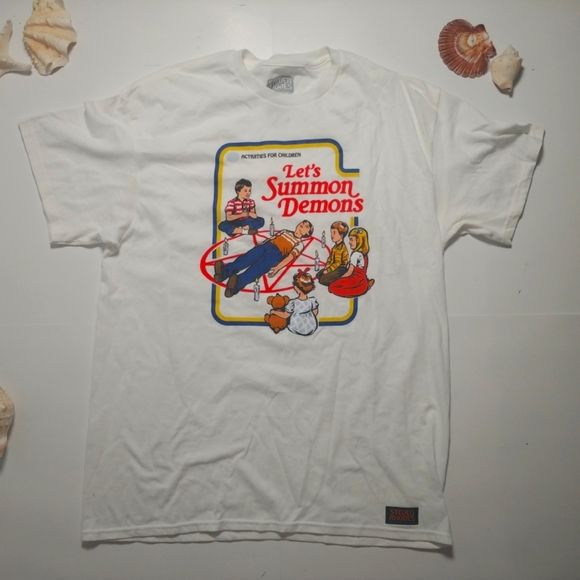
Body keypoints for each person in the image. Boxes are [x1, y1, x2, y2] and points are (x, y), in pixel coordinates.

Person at [214, 220, 314, 297]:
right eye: (302, 223)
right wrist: (261, 245)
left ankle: (235, 284)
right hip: (266, 246)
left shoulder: (299, 244)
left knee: (257, 269)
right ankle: (223, 272)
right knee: (246, 258)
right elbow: (272, 238)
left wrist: (278, 267)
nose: (302, 225)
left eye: (306, 226)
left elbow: (290, 257)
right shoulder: (285, 231)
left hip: (276, 255)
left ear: (307, 234)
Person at [267, 270, 319, 336]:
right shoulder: (312, 300)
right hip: (311, 327)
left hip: (295, 327)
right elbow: (315, 312)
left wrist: (273, 312)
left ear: (297, 288)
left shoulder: (293, 302)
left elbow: (286, 315)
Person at [328, 227, 374, 297]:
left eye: (351, 240)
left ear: (359, 241)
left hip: (355, 281)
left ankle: (359, 289)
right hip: (362, 280)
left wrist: (340, 278)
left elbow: (349, 272)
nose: (349, 242)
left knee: (331, 287)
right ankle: (366, 285)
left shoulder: (356, 254)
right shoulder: (364, 254)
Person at [317, 221, 349, 286]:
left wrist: (328, 270)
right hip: (334, 267)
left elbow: (337, 263)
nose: (332, 235)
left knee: (322, 279)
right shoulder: (335, 247)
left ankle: (339, 282)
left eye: (334, 233)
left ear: (341, 235)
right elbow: (330, 258)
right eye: (331, 233)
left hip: (340, 269)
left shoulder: (340, 248)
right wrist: (328, 264)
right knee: (318, 275)